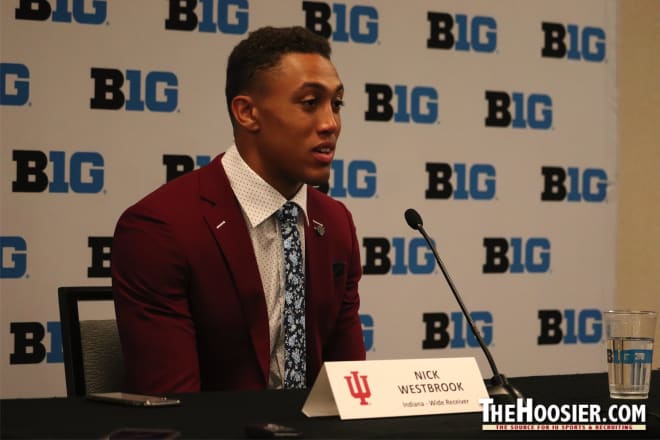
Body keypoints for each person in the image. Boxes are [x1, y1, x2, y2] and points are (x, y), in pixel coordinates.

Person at [111, 26, 366, 393]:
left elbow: (350, 389)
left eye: (336, 104)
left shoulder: (335, 222)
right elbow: (175, 405)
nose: (330, 123)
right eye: (310, 103)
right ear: (247, 113)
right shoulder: (160, 228)